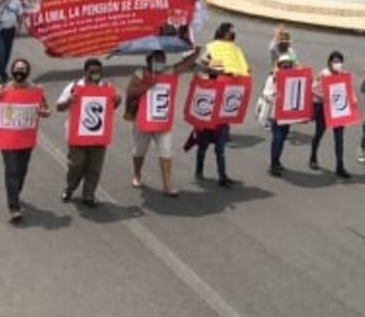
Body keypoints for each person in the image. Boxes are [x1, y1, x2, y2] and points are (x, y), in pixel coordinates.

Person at [126, 48, 200, 196]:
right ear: (149, 60)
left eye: (162, 59)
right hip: (144, 120)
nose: (160, 63)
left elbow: (184, 65)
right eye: (157, 60)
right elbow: (131, 92)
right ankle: (137, 174)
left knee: (166, 152)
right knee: (139, 151)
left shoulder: (169, 72)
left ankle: (167, 185)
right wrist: (147, 85)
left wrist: (196, 53)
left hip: (162, 121)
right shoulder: (139, 74)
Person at [0, 59, 51, 222]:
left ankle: (15, 192)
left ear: (28, 72)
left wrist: (44, 112)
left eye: (23, 69)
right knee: (11, 170)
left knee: (21, 170)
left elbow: (46, 109)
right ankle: (14, 207)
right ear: (12, 71)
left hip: (26, 138)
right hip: (8, 138)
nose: (19, 72)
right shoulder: (3, 90)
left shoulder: (36, 90)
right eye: (17, 69)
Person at [56, 58, 122, 206]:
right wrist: (70, 101)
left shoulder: (106, 86)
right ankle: (70, 188)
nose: (95, 75)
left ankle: (89, 194)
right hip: (77, 135)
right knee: (76, 164)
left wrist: (117, 99)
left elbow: (114, 105)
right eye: (92, 72)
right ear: (85, 72)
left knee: (94, 166)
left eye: (98, 72)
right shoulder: (74, 87)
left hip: (98, 134)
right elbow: (59, 107)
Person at [183, 59, 237, 188]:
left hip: (220, 124)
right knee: (202, 149)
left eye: (219, 71)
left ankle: (222, 176)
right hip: (205, 124)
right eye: (215, 70)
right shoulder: (204, 84)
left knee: (220, 150)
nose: (217, 73)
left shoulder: (226, 83)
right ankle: (199, 171)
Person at [309, 51, 351, 178]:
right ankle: (313, 157)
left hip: (338, 109)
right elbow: (312, 89)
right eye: (334, 61)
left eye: (339, 61)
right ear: (329, 62)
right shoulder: (323, 74)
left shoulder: (344, 75)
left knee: (339, 138)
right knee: (319, 134)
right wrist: (322, 97)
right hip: (323, 108)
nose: (337, 64)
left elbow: (347, 91)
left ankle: (340, 165)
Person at [262, 54, 300, 177]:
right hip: (275, 113)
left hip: (287, 114)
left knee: (283, 138)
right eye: (284, 65)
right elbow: (266, 94)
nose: (287, 66)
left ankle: (277, 160)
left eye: (289, 65)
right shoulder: (273, 77)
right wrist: (276, 96)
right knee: (277, 138)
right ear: (279, 65)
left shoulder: (292, 78)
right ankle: (273, 164)